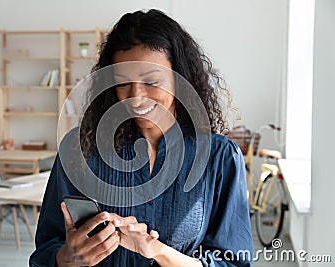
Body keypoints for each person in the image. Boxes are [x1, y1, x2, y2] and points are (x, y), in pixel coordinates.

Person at [30, 9, 253, 267]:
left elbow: (234, 262)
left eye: (151, 81)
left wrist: (157, 251)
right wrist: (65, 258)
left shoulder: (219, 158)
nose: (136, 97)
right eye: (123, 83)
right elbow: (44, 253)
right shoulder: (79, 149)